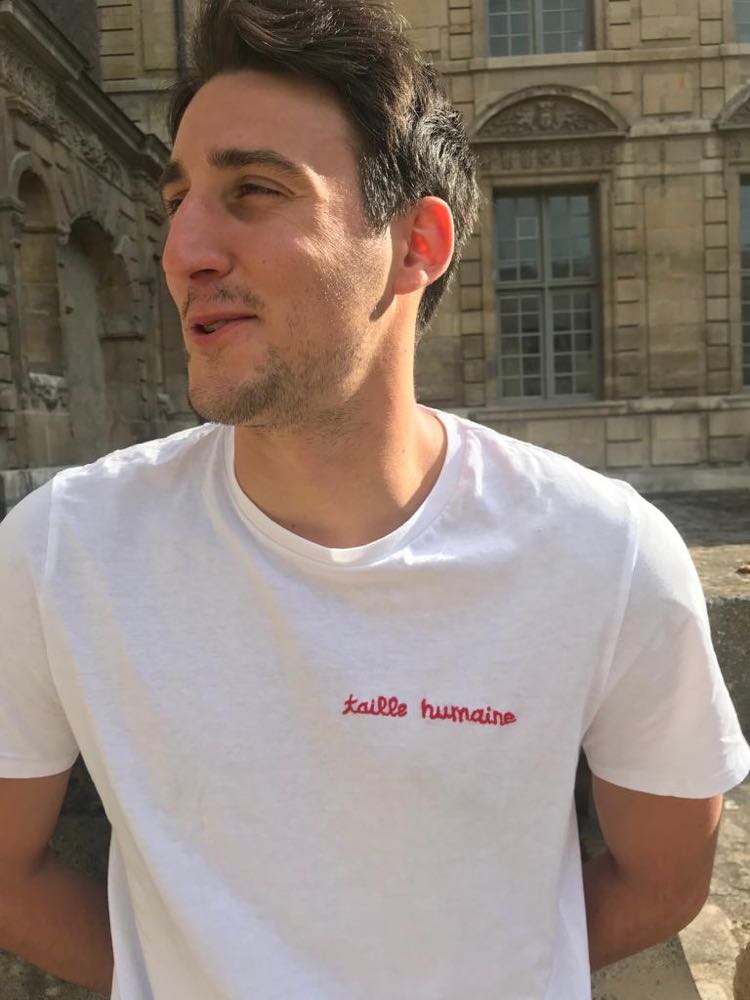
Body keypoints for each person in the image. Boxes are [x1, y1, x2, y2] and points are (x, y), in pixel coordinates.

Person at [0, 0, 748, 997]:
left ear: (415, 244)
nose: (182, 249)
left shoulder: (606, 554)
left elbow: (664, 882)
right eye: (179, 198)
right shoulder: (63, 551)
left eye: (255, 190)